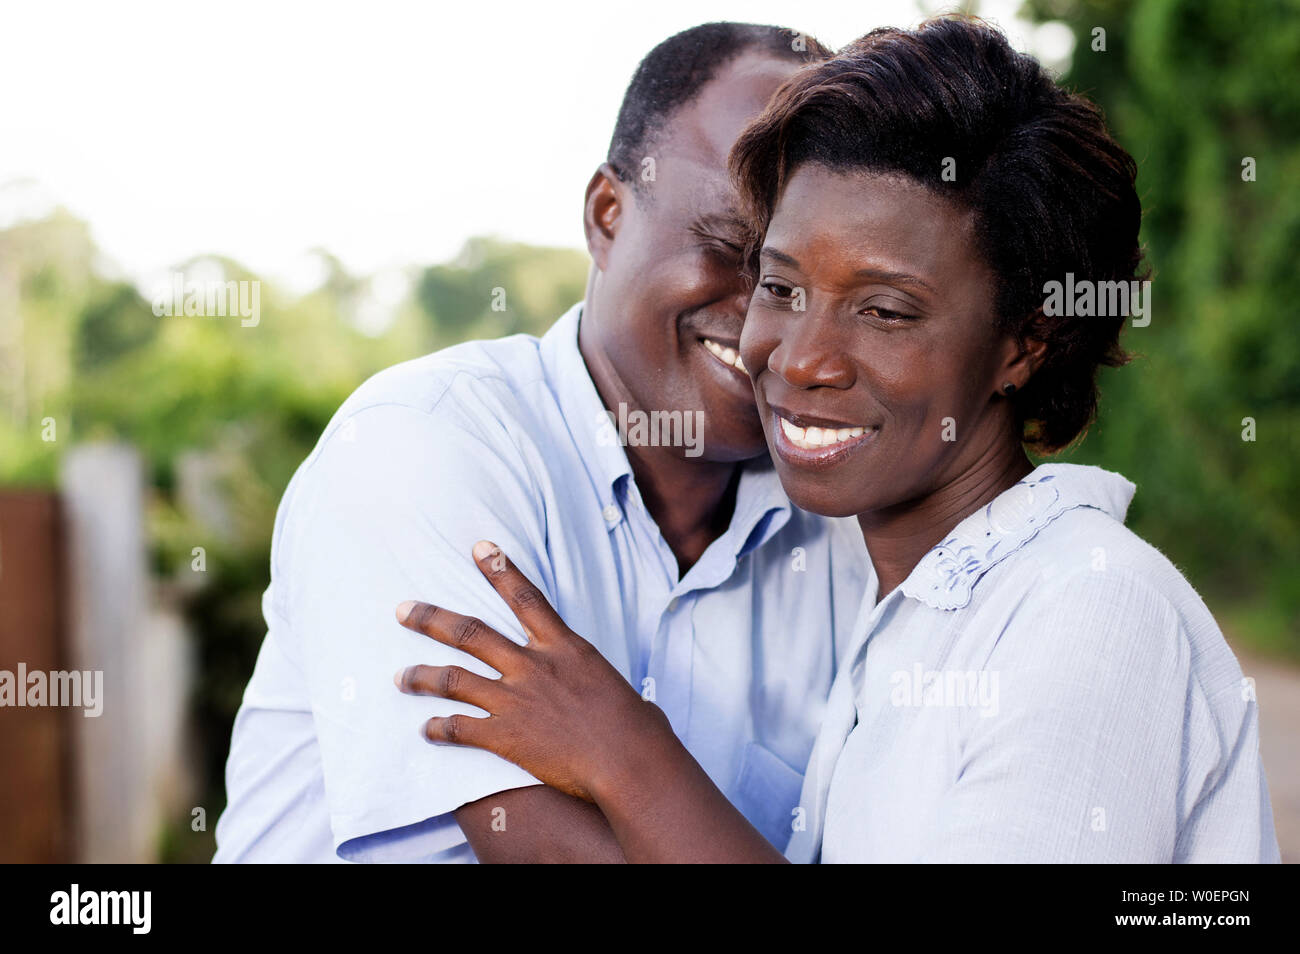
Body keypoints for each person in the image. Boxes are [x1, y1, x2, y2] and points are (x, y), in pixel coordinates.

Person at [392, 16, 1281, 863]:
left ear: (1024, 342)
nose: (800, 358)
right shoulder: (901, 612)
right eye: (780, 289)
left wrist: (626, 756)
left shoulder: (1088, 611)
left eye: (885, 311)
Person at [214, 22, 869, 863]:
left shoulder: (845, 529)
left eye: (802, 283)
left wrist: (626, 756)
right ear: (606, 215)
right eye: (728, 249)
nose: (766, 323)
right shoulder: (424, 451)